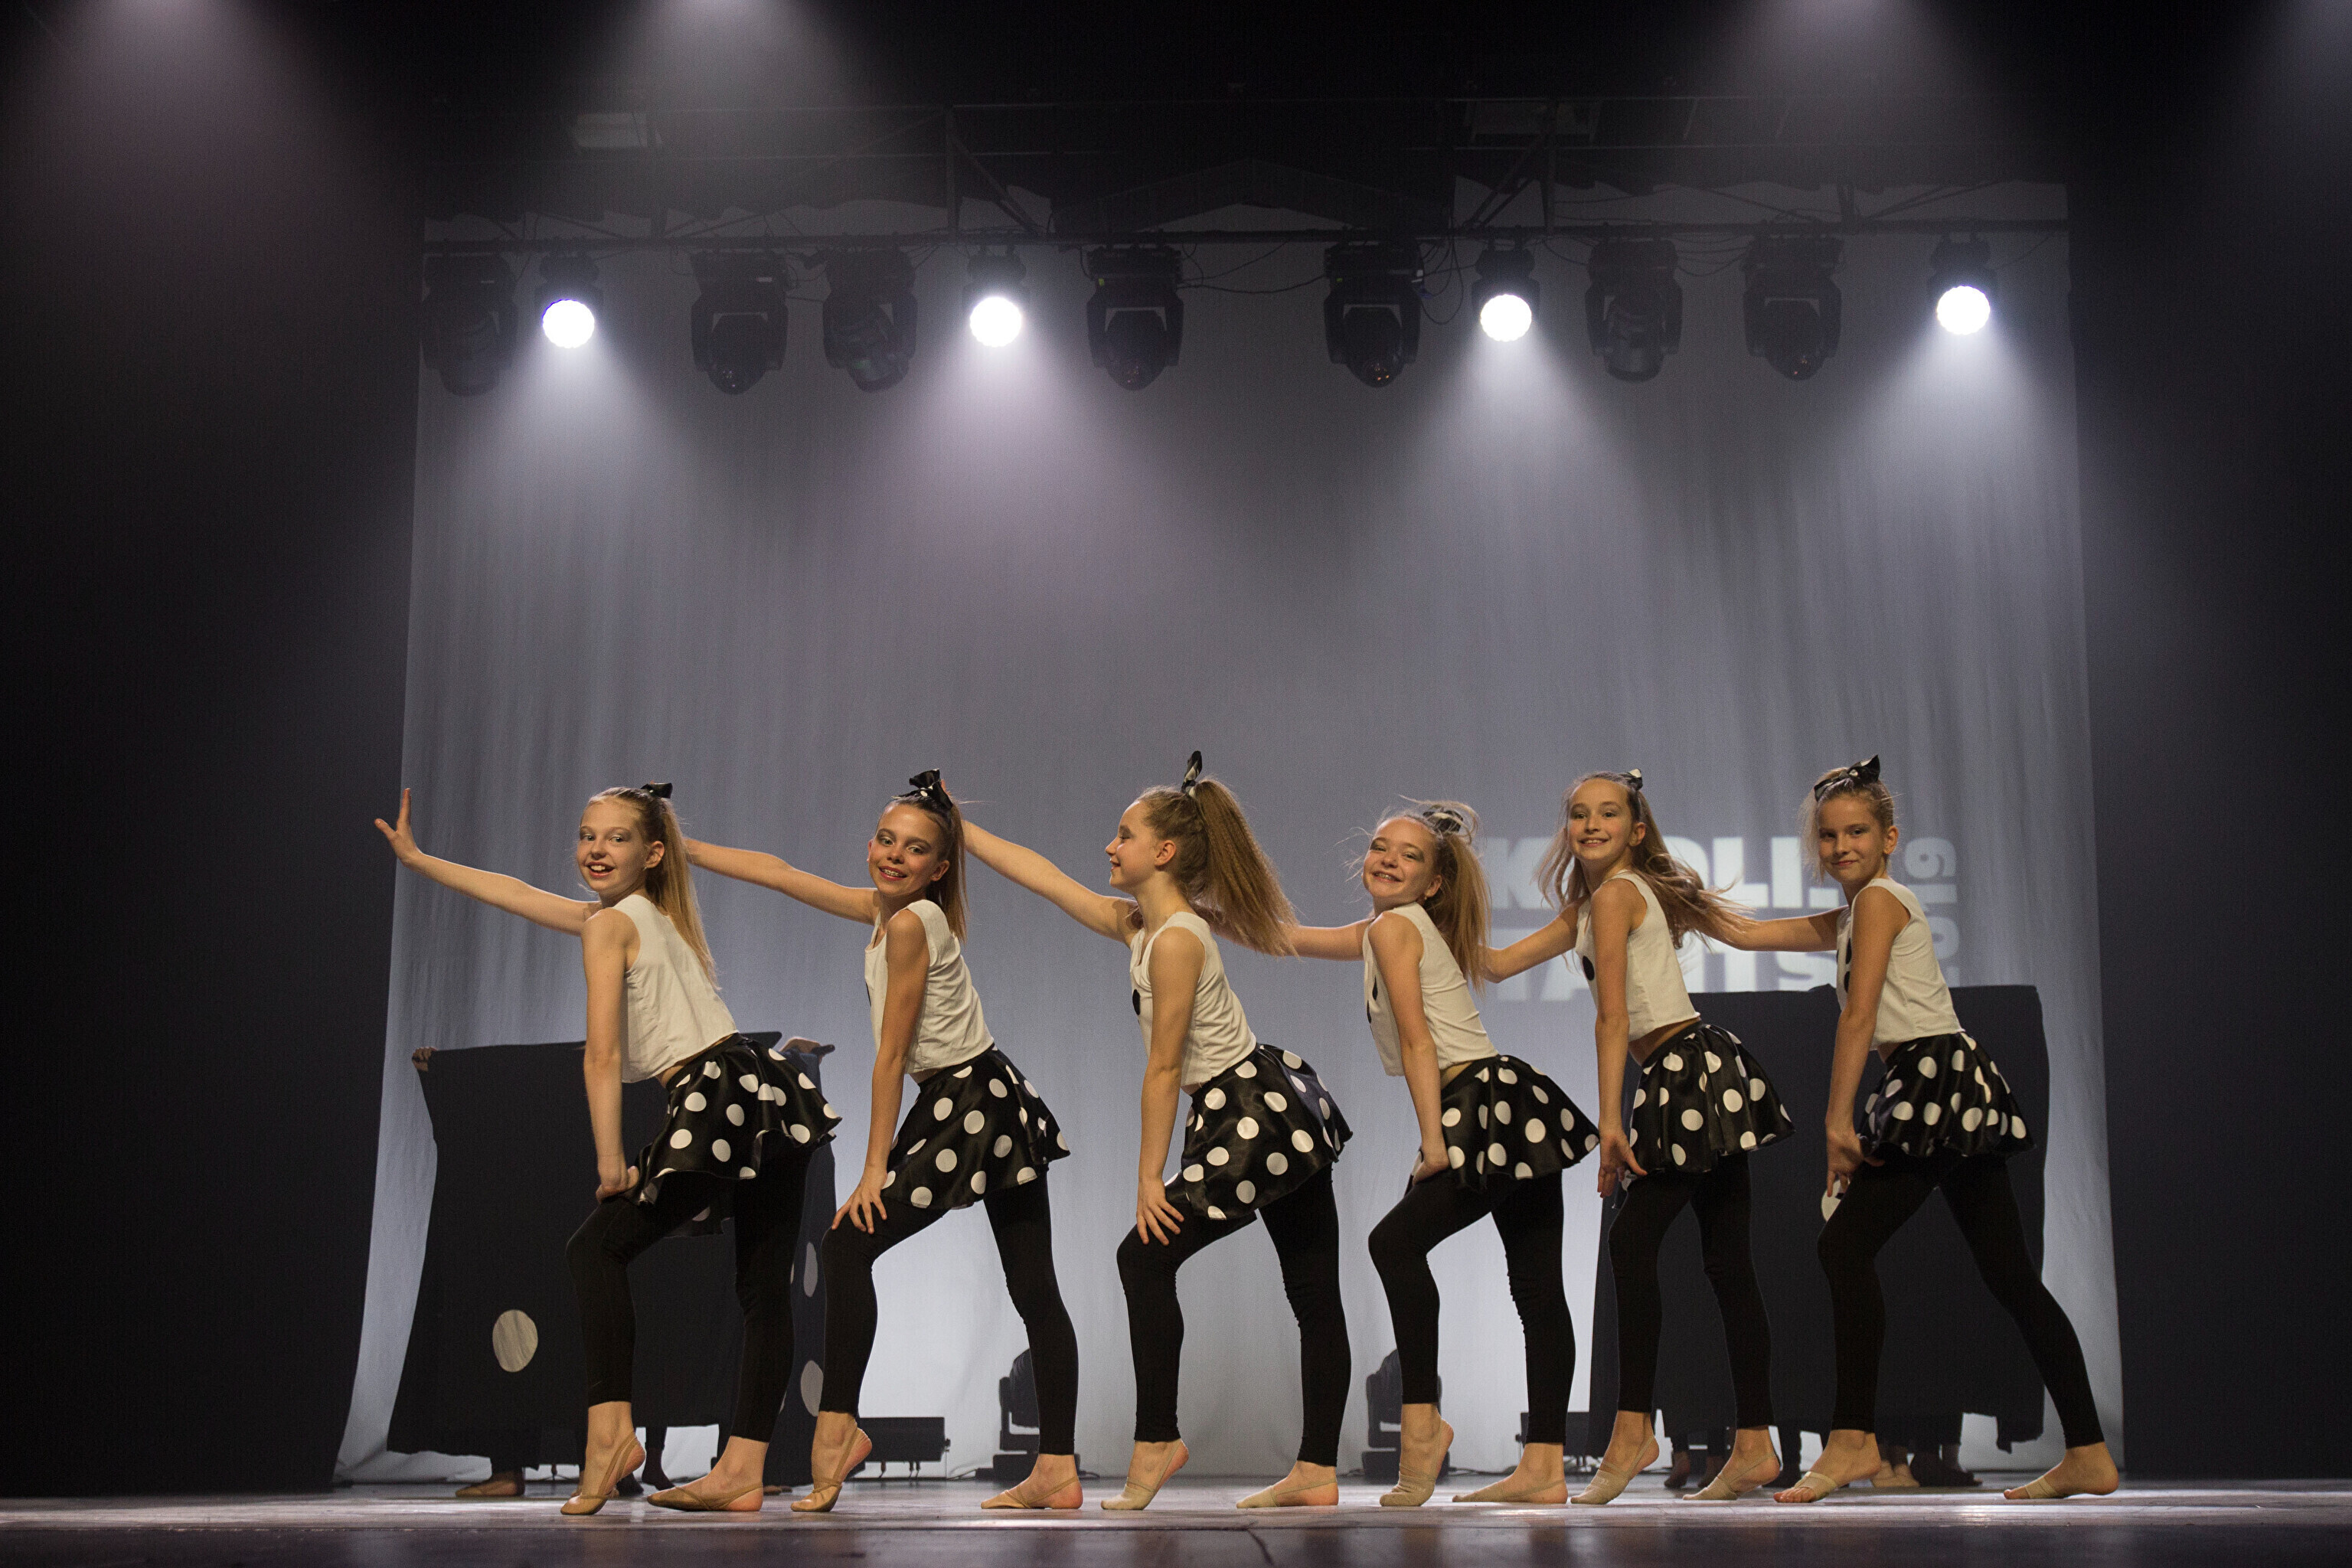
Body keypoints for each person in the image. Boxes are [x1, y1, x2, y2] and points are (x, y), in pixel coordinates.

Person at [376, 784, 835, 1516]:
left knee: (595, 1250)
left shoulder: (615, 924)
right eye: (587, 834)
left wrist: (609, 1162)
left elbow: (602, 1055)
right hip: (766, 1089)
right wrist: (420, 860)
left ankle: (611, 1435)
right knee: (760, 1288)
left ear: (652, 853)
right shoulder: (647, 916)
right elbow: (516, 894)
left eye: (616, 837)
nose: (595, 849)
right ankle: (745, 1467)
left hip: (714, 1094)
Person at [1712, 757, 2118, 1504]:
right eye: (1829, 835)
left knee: (1844, 1247)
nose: (1841, 846)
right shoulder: (1854, 914)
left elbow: (1860, 1014)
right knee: (2009, 1275)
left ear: (1890, 837)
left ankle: (1853, 1437)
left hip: (1936, 1080)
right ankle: (2089, 1450)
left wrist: (1837, 1119)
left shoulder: (1879, 902)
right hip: (1945, 1081)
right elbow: (1742, 932)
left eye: (1857, 832)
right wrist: (1673, 893)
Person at [963, 753, 1352, 1511]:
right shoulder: (1141, 925)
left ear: (1164, 851)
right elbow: (1047, 879)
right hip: (1256, 1111)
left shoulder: (1177, 938)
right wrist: (962, 828)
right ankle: (1312, 1468)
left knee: (1148, 1258)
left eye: (1124, 834)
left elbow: (1166, 1066)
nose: (1110, 846)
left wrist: (1150, 1176)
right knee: (1305, 1289)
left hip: (1255, 1114)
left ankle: (1165, 1439)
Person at [684, 772, 1080, 1512]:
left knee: (848, 1246)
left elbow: (892, 1056)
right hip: (983, 1096)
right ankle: (1056, 1465)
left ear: (940, 867)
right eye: (886, 840)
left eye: (916, 848)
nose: (894, 855)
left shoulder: (909, 925)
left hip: (969, 1100)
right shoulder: (885, 912)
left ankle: (839, 1430)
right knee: (1032, 1287)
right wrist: (691, 849)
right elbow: (783, 875)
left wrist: (874, 1169)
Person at [1481, 770, 1792, 1504]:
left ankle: (1633, 1431)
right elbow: (1495, 965)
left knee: (1634, 1245)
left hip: (1686, 1072)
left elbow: (1614, 1018)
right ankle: (1754, 1441)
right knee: (1727, 1262)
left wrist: (1612, 1122)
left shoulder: (1618, 894)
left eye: (1608, 814)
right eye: (1579, 814)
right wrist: (1435, 906)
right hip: (1695, 1070)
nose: (1591, 825)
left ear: (1637, 829)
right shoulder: (1595, 905)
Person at [1286, 804, 1598, 1506]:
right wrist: (1207, 910)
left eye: (1409, 855)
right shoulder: (1388, 929)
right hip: (1510, 1102)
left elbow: (1420, 1039)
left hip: (1479, 1104)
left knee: (1394, 1245)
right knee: (1536, 1287)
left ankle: (1423, 1423)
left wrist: (1434, 1143)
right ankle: (1545, 1465)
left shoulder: (1396, 927)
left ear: (1433, 884)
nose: (1388, 860)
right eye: (1380, 847)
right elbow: (1291, 939)